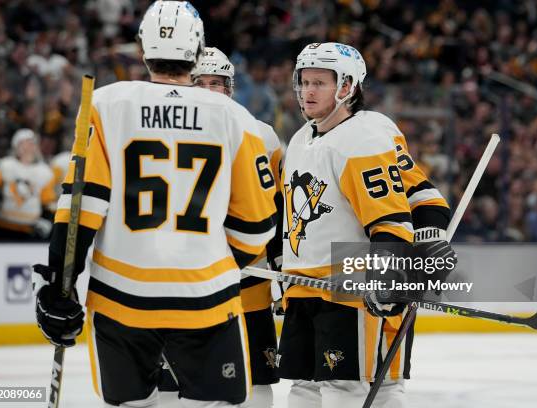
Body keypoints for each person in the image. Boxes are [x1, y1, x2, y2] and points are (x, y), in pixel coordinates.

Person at [31, 2, 277, 407]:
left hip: (120, 299)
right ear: (198, 52)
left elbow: (80, 208)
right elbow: (255, 227)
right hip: (206, 299)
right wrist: (212, 261)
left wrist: (60, 283)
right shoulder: (235, 117)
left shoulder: (105, 104)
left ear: (142, 47)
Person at [276, 42, 456, 408]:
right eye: (304, 81)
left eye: (319, 83)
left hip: (348, 287)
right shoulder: (299, 140)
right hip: (304, 287)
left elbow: (393, 214)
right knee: (304, 388)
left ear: (347, 87)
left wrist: (390, 273)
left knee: (354, 387)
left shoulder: (363, 138)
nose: (308, 91)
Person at [158, 46, 283, 408]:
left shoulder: (263, 135)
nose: (211, 90)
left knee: (257, 377)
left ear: (230, 88)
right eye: (203, 82)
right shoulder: (165, 132)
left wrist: (279, 262)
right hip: (184, 275)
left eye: (218, 83)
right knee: (174, 380)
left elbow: (277, 206)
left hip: (249, 275)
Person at [0, 128, 56, 241]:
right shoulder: (5, 165)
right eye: (23, 144)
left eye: (31, 144)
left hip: (30, 230)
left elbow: (48, 202)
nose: (28, 147)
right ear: (16, 147)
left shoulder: (45, 172)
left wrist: (47, 219)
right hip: (3, 227)